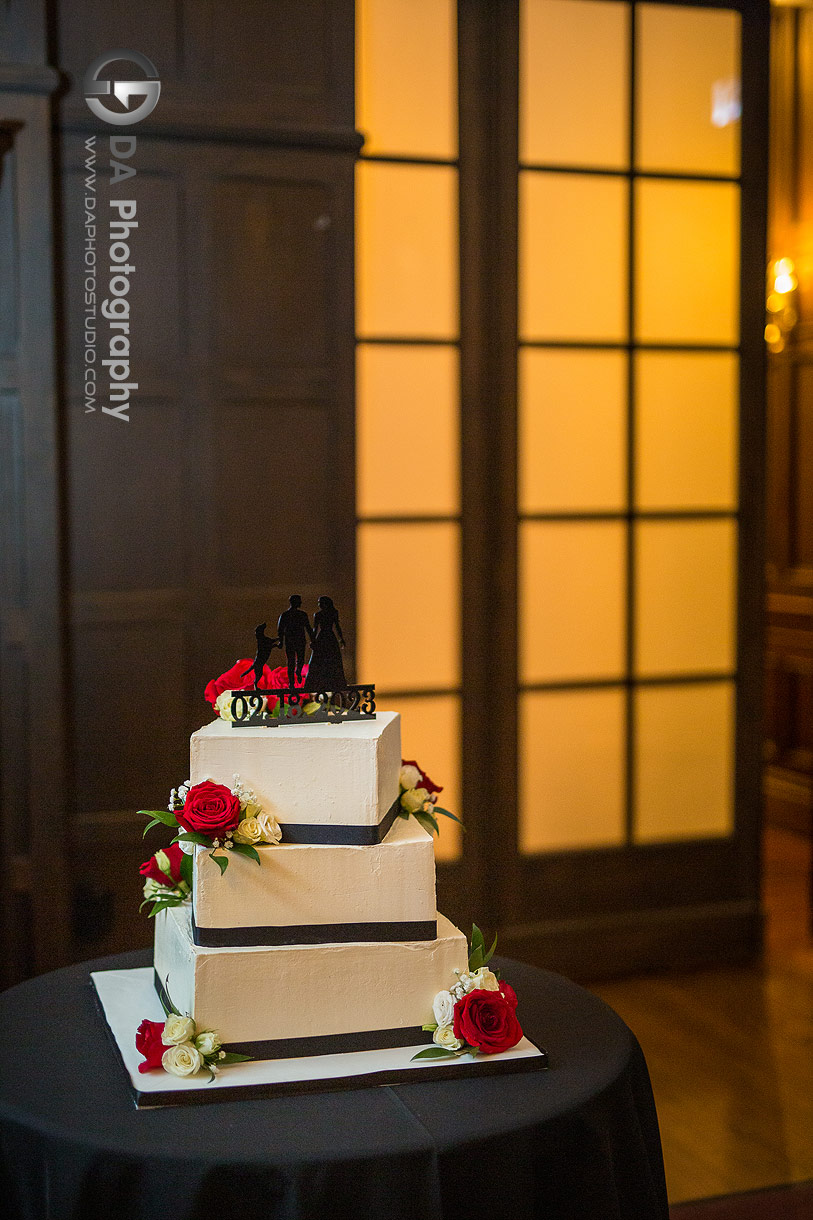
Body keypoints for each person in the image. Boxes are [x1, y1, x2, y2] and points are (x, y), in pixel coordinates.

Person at [306, 596, 346, 693]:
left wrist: (341, 639)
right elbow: (315, 629)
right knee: (320, 659)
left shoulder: (329, 613)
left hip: (327, 638)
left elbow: (337, 627)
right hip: (325, 638)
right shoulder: (318, 614)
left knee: (331, 659)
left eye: (320, 602)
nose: (319, 604)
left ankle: (333, 682)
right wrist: (313, 640)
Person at [277, 595, 315, 690]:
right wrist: (281, 641)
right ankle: (291, 683)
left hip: (298, 641)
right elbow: (280, 629)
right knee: (292, 662)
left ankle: (298, 672)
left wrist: (313, 640)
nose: (301, 603)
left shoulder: (300, 614)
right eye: (299, 601)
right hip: (293, 641)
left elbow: (308, 628)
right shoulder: (286, 615)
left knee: (298, 660)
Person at [241, 623, 280, 688]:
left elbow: (271, 642)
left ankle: (255, 685)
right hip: (259, 661)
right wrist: (277, 643)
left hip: (259, 661)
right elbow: (270, 644)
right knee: (259, 674)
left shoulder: (263, 640)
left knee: (259, 673)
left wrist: (276, 642)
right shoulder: (262, 641)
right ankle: (255, 685)